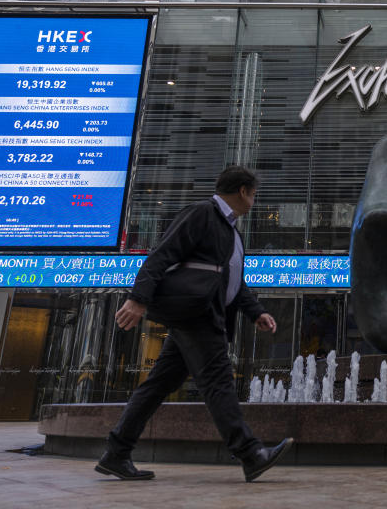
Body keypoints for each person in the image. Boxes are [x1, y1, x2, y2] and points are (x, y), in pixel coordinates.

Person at [96, 166, 293, 482]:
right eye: (254, 195)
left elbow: (233, 282)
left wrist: (256, 312)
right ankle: (251, 453)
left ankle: (115, 454)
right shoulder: (203, 213)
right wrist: (138, 298)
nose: (254, 202)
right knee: (217, 380)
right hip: (197, 314)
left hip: (202, 314)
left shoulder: (231, 231)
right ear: (242, 191)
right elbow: (161, 254)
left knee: (158, 385)